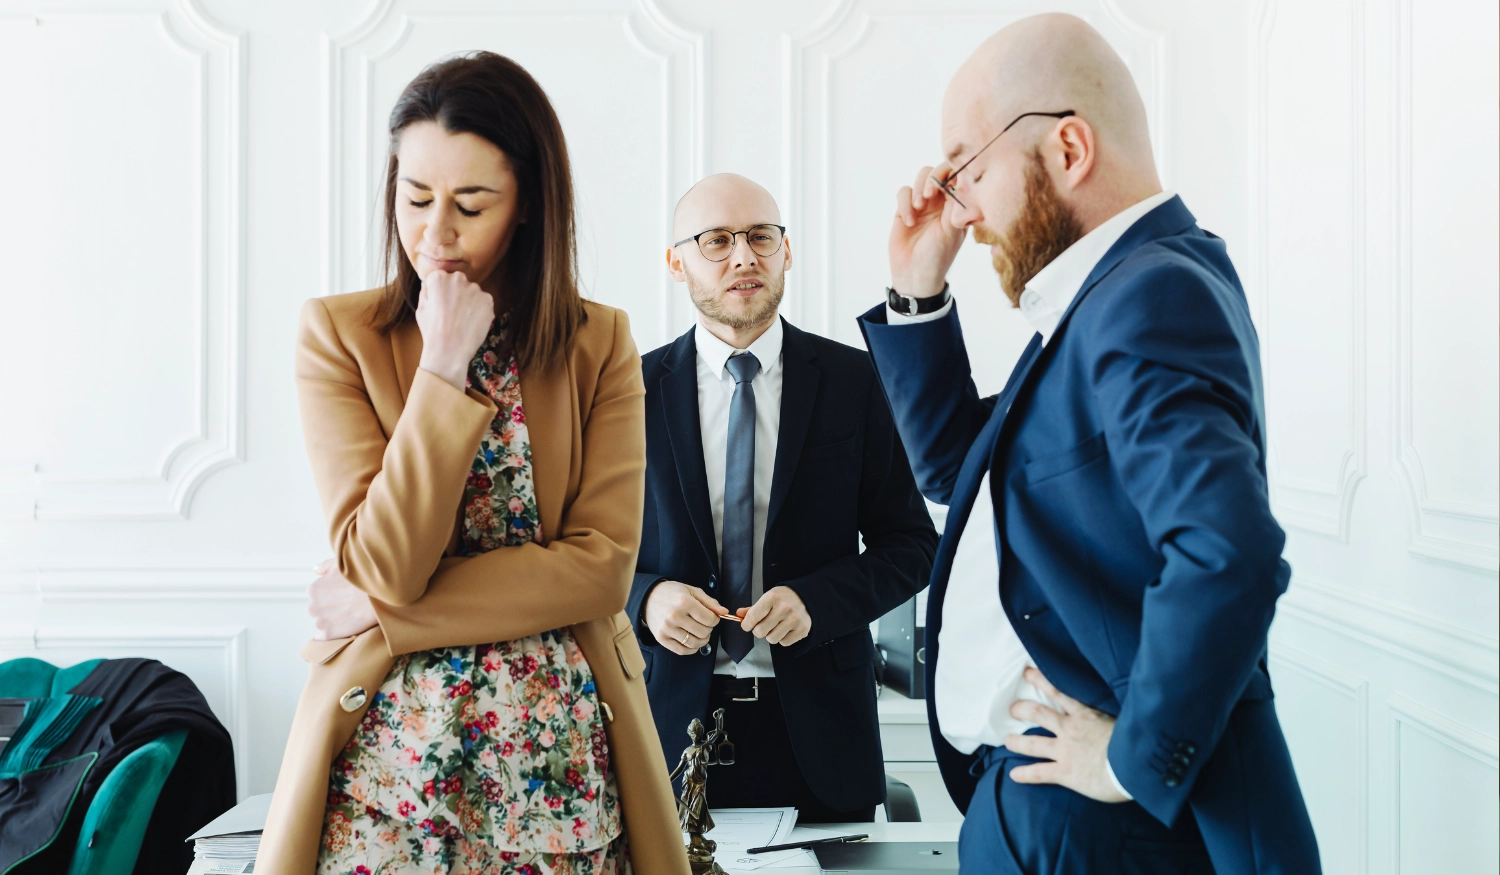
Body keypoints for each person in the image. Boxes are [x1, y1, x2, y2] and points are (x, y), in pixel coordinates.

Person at [858, 14, 1320, 875]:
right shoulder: (1109, 298)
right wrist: (917, 292)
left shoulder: (1150, 298)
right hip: (1054, 815)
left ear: (1068, 150)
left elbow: (1229, 553)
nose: (963, 210)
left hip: (1106, 832)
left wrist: (1128, 761)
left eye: (968, 169)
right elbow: (967, 471)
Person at [254, 52, 688, 875]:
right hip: (388, 775)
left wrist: (388, 612)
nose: (435, 234)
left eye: (470, 204)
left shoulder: (600, 343)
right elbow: (385, 559)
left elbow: (597, 573)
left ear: (528, 203)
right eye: (415, 198)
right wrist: (442, 365)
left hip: (558, 771)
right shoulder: (340, 336)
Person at [630, 173, 938, 823]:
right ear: (675, 264)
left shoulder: (858, 381)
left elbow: (912, 547)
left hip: (822, 737)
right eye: (716, 240)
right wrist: (648, 598)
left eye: (760, 237)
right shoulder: (626, 393)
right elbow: (583, 554)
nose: (743, 257)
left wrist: (816, 602)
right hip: (665, 731)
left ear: (787, 252)